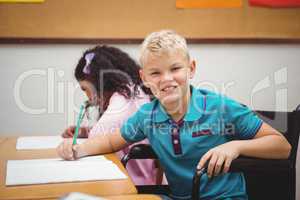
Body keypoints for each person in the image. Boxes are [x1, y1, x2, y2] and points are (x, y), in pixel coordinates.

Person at [57, 31, 291, 200]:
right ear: (144, 78)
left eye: (175, 69)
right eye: (156, 72)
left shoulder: (220, 107)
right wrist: (78, 148)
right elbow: (111, 141)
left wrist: (235, 147)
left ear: (191, 68)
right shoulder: (147, 115)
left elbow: (282, 146)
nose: (167, 79)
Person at [60, 45, 158, 185]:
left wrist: (76, 144)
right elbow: (116, 131)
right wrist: (84, 131)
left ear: (100, 83)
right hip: (138, 177)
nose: (87, 96)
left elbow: (98, 138)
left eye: (85, 89)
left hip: (132, 184)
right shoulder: (132, 91)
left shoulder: (123, 100)